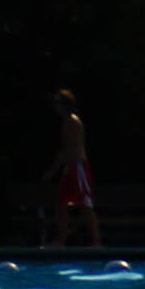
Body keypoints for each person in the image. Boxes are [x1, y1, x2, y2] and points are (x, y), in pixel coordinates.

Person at [43, 88, 102, 247]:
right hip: (69, 167)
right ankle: (60, 240)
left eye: (58, 103)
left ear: (65, 105)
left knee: (85, 205)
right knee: (61, 203)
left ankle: (96, 242)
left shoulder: (73, 122)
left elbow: (70, 149)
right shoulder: (66, 122)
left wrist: (53, 169)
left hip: (78, 167)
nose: (55, 106)